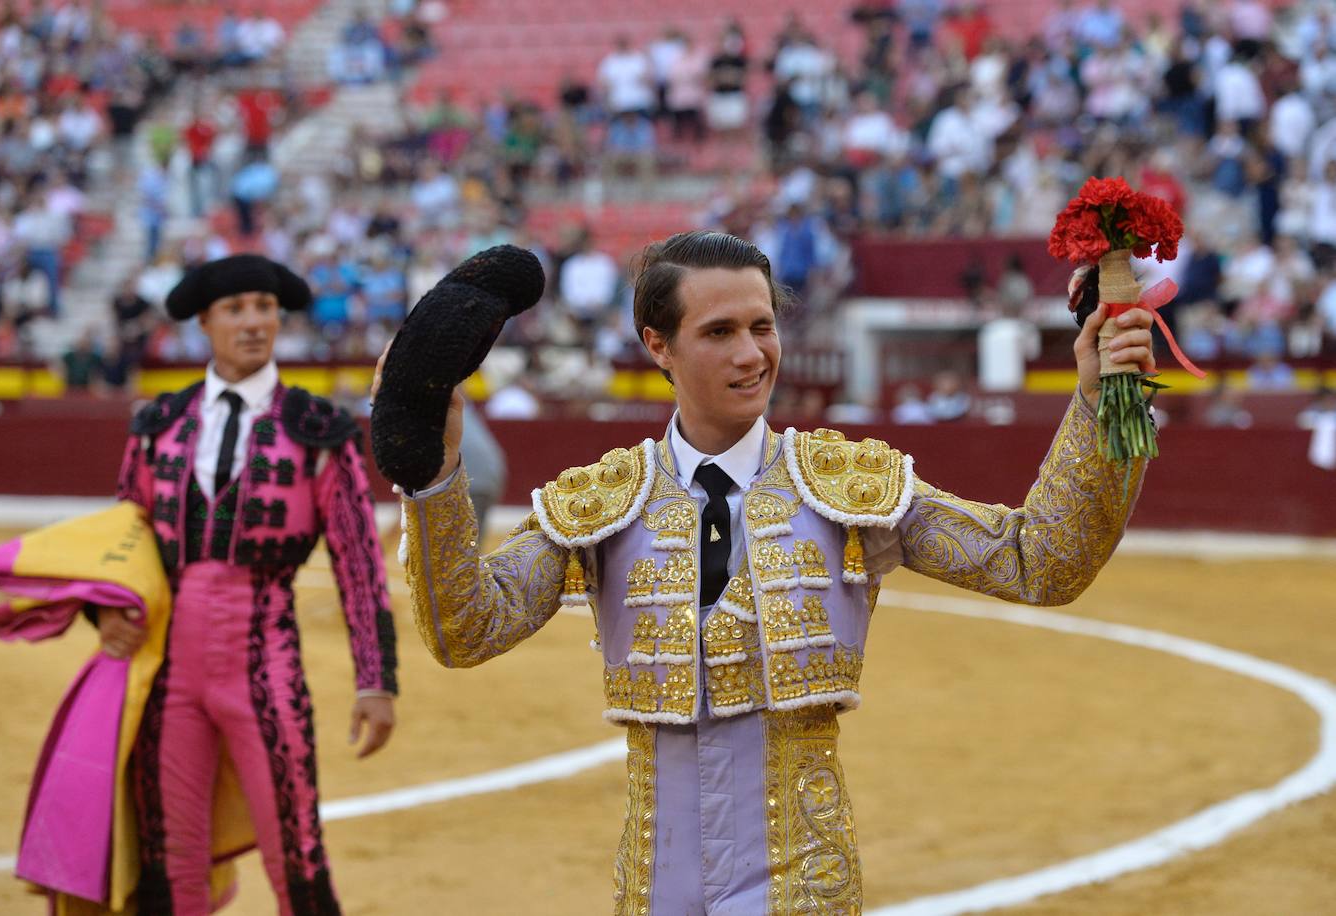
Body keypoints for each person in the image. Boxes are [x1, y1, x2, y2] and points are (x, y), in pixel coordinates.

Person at [381, 231, 1156, 911]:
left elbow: (1040, 563)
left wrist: (1097, 400)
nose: (753, 354)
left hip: (801, 885)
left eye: (763, 326)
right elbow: (467, 631)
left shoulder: (846, 486)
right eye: (719, 331)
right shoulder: (603, 502)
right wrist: (437, 474)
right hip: (655, 886)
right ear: (659, 345)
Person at [105, 254, 398, 913]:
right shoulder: (159, 425)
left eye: (265, 308)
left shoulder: (317, 428)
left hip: (266, 658)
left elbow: (358, 561)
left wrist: (375, 679)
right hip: (168, 668)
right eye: (237, 309)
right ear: (204, 323)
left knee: (295, 851)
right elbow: (122, 548)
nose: (254, 322)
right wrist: (107, 618)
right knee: (167, 856)